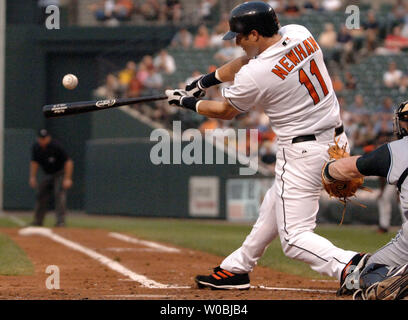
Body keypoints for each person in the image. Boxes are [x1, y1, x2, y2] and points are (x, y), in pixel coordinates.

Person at [166, 2, 363, 291]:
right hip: (336, 140)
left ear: (255, 34)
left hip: (302, 151)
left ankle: (355, 266)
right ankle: (237, 268)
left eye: (240, 37)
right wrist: (203, 81)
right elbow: (249, 61)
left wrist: (186, 101)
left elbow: (225, 111)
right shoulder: (299, 33)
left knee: (295, 238)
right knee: (275, 203)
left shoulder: (257, 74)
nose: (238, 42)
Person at [321, 101, 408, 300]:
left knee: (370, 270)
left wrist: (327, 170)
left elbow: (349, 168)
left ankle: (397, 276)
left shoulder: (397, 149)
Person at [29, 129, 74, 227]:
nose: (42, 140)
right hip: (47, 174)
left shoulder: (56, 146)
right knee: (41, 195)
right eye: (41, 138)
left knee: (59, 195)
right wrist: (32, 177)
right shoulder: (36, 147)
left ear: (48, 138)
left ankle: (60, 221)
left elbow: (68, 162)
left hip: (59, 173)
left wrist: (67, 178)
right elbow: (34, 162)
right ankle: (38, 220)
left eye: (44, 138)